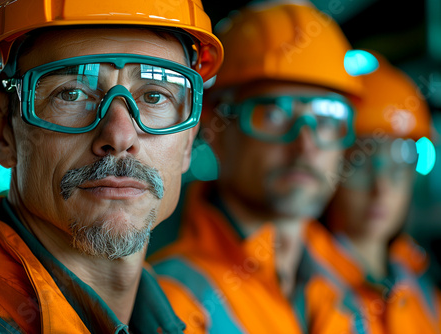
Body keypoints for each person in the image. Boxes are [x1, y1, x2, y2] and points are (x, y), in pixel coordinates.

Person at [0, 0, 223, 333]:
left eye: (153, 96)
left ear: (188, 139)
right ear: (2, 131)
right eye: (72, 94)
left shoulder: (188, 316)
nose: (120, 135)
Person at [149, 2, 363, 333]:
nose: (305, 146)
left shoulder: (349, 283)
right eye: (274, 114)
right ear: (215, 130)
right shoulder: (171, 300)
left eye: (326, 118)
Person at [295, 54, 441, 334]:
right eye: (360, 164)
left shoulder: (422, 290)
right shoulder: (298, 285)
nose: (381, 189)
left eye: (398, 166)